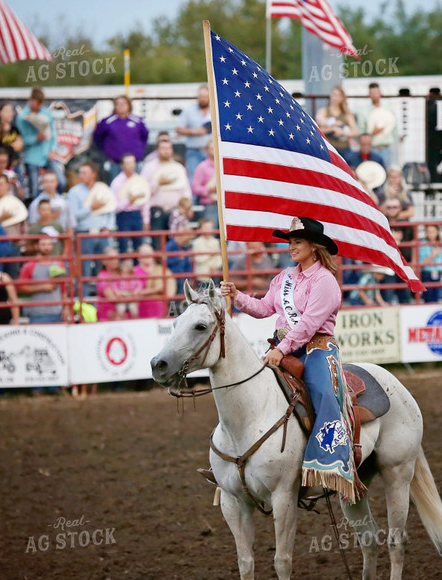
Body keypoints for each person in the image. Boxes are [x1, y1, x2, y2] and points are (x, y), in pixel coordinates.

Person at [219, 216, 358, 502]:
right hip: (283, 346)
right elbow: (263, 308)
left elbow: (308, 324)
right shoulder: (284, 278)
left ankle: (329, 464)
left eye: (297, 242)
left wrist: (282, 349)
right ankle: (232, 463)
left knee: (323, 394)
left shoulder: (325, 282)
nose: (291, 247)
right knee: (248, 390)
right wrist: (237, 296)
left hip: (317, 348)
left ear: (314, 247)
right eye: (290, 242)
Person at [68, 162, 115, 285]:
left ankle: (103, 295)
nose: (81, 175)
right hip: (84, 233)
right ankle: (85, 297)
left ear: (93, 174)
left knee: (103, 266)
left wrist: (109, 228)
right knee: (85, 267)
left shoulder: (103, 189)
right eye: (80, 173)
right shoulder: (74, 192)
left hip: (102, 233)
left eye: (84, 173)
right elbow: (73, 216)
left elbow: (111, 210)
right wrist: (91, 208)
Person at [16, 87, 66, 199]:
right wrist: (36, 138)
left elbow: (53, 133)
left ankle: (54, 203)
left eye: (40, 103)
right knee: (34, 190)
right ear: (30, 100)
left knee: (61, 182)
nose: (38, 106)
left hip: (47, 155)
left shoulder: (46, 113)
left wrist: (52, 149)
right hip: (32, 157)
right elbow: (22, 139)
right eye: (36, 103)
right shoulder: (22, 117)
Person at [140, 139, 190, 246]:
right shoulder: (149, 168)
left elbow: (185, 190)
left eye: (168, 148)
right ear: (157, 150)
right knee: (158, 244)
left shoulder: (178, 168)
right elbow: (143, 192)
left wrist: (188, 207)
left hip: (176, 211)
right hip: (157, 211)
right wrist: (158, 183)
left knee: (176, 244)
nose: (166, 151)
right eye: (163, 148)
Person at [93, 95, 149, 182]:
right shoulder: (107, 121)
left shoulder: (137, 121)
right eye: (118, 104)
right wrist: (108, 151)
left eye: (123, 103)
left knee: (136, 186)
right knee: (115, 186)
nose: (121, 106)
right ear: (115, 106)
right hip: (115, 163)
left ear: (129, 105)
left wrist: (139, 151)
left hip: (134, 163)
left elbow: (144, 136)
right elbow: (97, 137)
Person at [18, 236, 68, 323]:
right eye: (43, 244)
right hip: (38, 314)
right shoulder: (29, 266)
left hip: (58, 313)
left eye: (49, 244)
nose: (47, 247)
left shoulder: (59, 264)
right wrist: (42, 287)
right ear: (37, 246)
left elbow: (63, 289)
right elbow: (20, 288)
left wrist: (66, 308)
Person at [110, 153, 146, 255]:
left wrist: (145, 219)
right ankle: (124, 269)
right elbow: (114, 206)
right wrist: (128, 201)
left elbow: (145, 200)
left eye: (133, 162)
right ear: (122, 166)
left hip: (137, 215)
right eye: (128, 163)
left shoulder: (140, 180)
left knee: (139, 247)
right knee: (123, 246)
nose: (131, 165)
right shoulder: (116, 183)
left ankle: (138, 269)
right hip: (123, 216)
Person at [356, 82, 398, 166]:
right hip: (372, 149)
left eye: (376, 92)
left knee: (387, 171)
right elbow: (361, 132)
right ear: (369, 95)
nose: (375, 95)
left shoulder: (389, 109)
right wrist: (372, 132)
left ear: (380, 93)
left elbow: (394, 128)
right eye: (372, 93)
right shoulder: (363, 112)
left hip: (386, 147)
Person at [175, 85, 212, 179]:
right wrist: (195, 132)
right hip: (194, 152)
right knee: (194, 179)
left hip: (212, 153)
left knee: (212, 181)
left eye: (205, 97)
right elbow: (178, 128)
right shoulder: (188, 111)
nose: (202, 99)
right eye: (201, 96)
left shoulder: (216, 111)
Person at [95, 247, 143, 320]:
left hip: (126, 316)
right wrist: (131, 295)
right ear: (104, 261)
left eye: (116, 258)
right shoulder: (102, 276)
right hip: (109, 316)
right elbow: (112, 298)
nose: (115, 261)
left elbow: (137, 290)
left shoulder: (123, 272)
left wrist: (123, 294)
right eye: (111, 259)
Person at [132, 242, 174, 318]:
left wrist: (141, 292)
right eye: (144, 253)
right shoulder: (133, 271)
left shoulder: (160, 270)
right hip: (139, 307)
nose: (147, 255)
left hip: (158, 306)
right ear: (138, 256)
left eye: (149, 253)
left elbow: (161, 288)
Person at [315, 86, 358, 158]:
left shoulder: (347, 114)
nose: (336, 98)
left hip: (344, 149)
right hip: (328, 148)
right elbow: (318, 130)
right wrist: (332, 128)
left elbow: (355, 132)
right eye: (334, 94)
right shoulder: (323, 111)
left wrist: (343, 132)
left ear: (342, 98)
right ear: (330, 96)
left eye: (339, 95)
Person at [191, 139, 219, 229]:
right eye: (211, 148)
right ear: (206, 150)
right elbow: (195, 188)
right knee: (210, 231)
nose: (214, 150)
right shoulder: (202, 167)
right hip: (210, 204)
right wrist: (210, 189)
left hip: (224, 204)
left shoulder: (224, 164)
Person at [418, 224, 442, 302]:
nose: (431, 234)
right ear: (426, 233)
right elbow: (422, 264)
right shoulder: (422, 244)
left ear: (437, 232)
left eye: (433, 231)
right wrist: (433, 255)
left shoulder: (441, 245)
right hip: (426, 273)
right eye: (429, 231)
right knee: (427, 297)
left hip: (438, 274)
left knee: (437, 297)